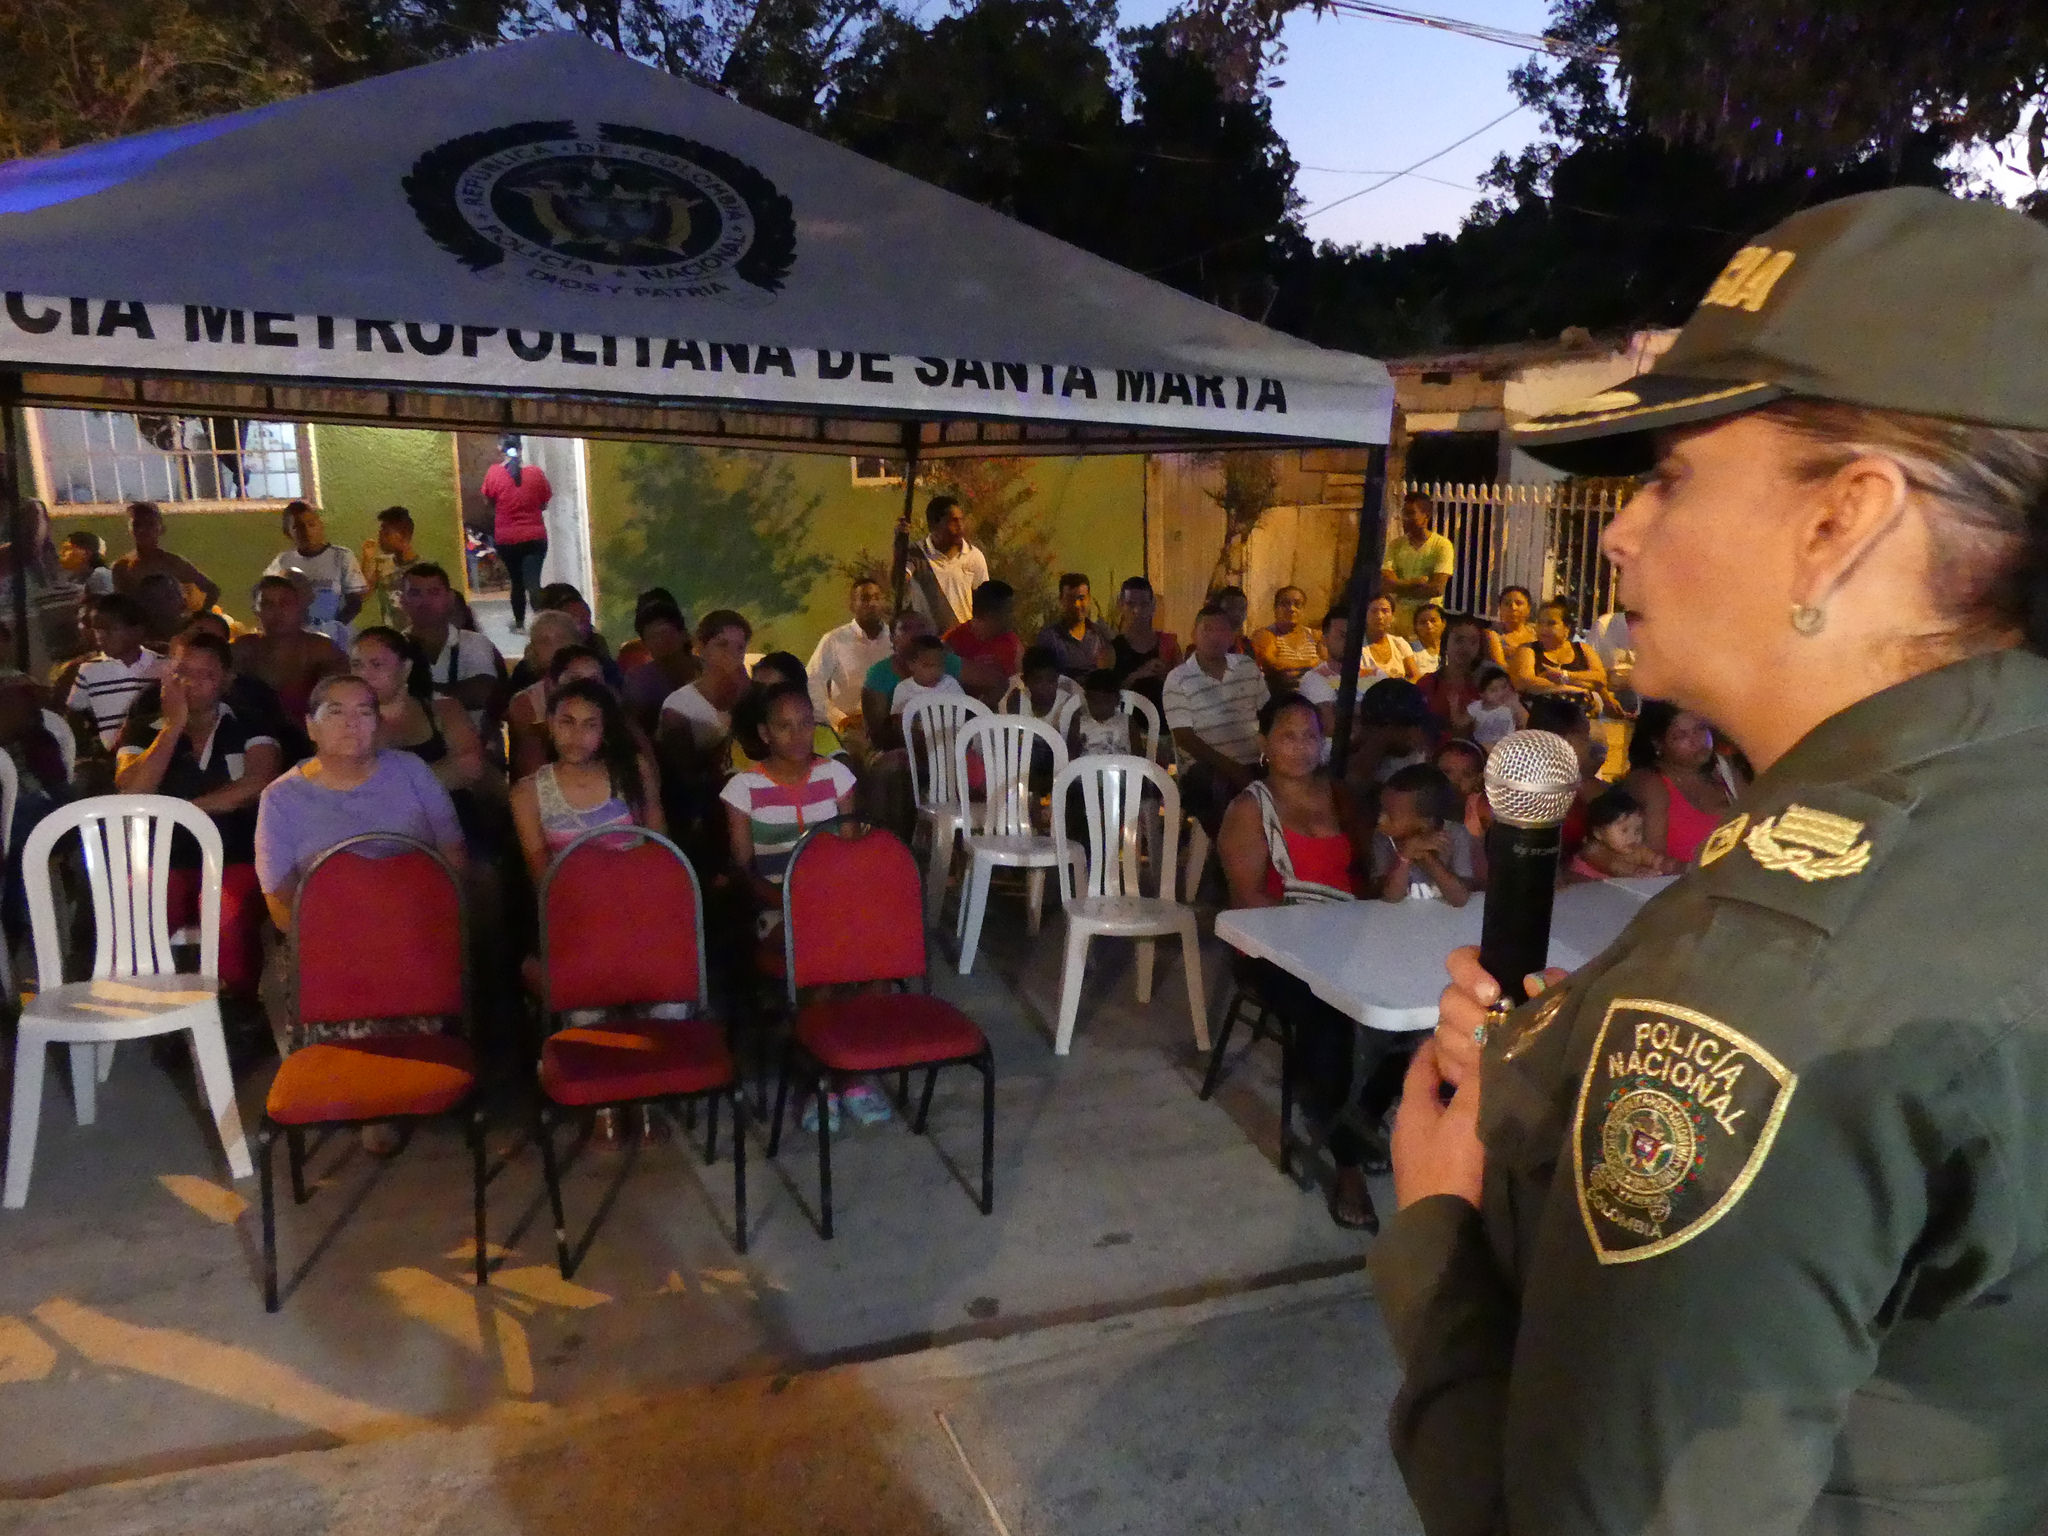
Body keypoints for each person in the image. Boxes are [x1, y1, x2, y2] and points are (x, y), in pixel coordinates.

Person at [1376, 187, 2048, 1535]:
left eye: (1674, 475)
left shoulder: (1763, 978)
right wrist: (1555, 1063)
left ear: (1842, 520)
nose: (1620, 531)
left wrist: (1436, 1238)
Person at [1217, 692, 1397, 1229]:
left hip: (1346, 935)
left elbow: (1367, 874)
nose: (1301, 747)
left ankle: (1362, 1117)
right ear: (1265, 744)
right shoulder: (1250, 808)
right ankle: (1346, 1162)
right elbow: (1248, 899)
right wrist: (1318, 937)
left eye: (1311, 736)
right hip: (1273, 949)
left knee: (1418, 1009)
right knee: (1331, 1019)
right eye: (1288, 735)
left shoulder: (1341, 798)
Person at [253, 673, 466, 1086]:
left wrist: (419, 922)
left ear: (379, 725)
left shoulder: (413, 772)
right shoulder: (280, 798)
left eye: (364, 712)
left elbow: (453, 857)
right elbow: (278, 898)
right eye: (336, 712)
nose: (352, 723)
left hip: (414, 930)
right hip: (331, 943)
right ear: (310, 725)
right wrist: (345, 938)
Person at [113, 629, 280, 997]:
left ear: (226, 681)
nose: (192, 683)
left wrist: (185, 811)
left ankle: (235, 1013)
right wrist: (172, 728)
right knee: (140, 911)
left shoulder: (249, 723)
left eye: (206, 675)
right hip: (163, 859)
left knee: (226, 915)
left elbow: (257, 782)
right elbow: (131, 791)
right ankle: (154, 1012)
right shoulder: (144, 728)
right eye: (182, 672)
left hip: (233, 855)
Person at [510, 677, 664, 887]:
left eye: (590, 725)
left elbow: (661, 848)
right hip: (576, 905)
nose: (577, 735)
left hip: (639, 893)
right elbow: (543, 879)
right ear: (550, 724)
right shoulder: (527, 794)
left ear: (604, 730)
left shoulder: (633, 770)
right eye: (567, 722)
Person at [1161, 602, 1266, 834]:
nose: (1214, 637)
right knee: (1218, 790)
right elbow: (1184, 737)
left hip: (1252, 761)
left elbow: (1266, 712)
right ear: (1193, 634)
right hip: (1205, 769)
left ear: (1231, 636)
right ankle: (1227, 859)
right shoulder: (1178, 679)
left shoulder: (1247, 668)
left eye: (1222, 630)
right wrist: (1233, 769)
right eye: (1207, 629)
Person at [349, 627, 486, 797]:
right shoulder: (342, 721)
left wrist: (387, 788)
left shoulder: (445, 710)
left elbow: (470, 766)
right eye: (356, 665)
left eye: (376, 665)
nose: (364, 674)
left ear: (406, 668)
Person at [231, 575, 346, 747]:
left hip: (309, 745)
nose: (277, 611)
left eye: (285, 603)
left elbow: (338, 704)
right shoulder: (243, 651)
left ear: (299, 608)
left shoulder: (321, 650)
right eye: (268, 604)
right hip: (251, 744)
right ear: (256, 611)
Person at [1623, 698, 1740, 864]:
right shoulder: (1650, 784)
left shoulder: (1727, 773)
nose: (1696, 741)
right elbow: (1654, 861)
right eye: (1680, 736)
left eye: (1701, 728)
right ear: (1658, 743)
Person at [397, 562, 503, 733]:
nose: (425, 602)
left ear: (450, 598)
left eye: (434, 593)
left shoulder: (475, 642)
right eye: (415, 593)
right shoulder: (393, 647)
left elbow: (482, 693)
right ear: (402, 601)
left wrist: (414, 694)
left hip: (476, 748)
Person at [66, 593, 167, 749]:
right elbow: (74, 712)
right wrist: (86, 745)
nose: (100, 636)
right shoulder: (90, 670)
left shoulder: (164, 665)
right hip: (115, 757)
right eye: (97, 629)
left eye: (108, 629)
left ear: (137, 631)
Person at [1372, 761, 1481, 905]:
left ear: (1424, 823)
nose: (1380, 819)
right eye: (1382, 810)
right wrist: (1405, 857)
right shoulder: (1384, 838)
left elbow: (1460, 899)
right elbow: (1391, 897)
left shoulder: (1456, 835)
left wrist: (1428, 857)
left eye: (1390, 815)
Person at [859, 610, 962, 753]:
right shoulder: (879, 675)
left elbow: (993, 680)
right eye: (905, 628)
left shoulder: (948, 667)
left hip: (951, 744)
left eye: (922, 626)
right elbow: (878, 734)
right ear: (892, 638)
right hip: (904, 749)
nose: (916, 633)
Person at [263, 502, 365, 646]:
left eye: (311, 524)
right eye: (297, 527)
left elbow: (354, 602)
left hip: (337, 639)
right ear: (288, 532)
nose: (306, 531)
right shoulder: (282, 561)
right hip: (298, 641)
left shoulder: (341, 556)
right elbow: (269, 598)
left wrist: (332, 628)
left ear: (320, 525)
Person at [480, 435, 552, 631]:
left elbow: (488, 503)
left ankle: (519, 624)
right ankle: (543, 624)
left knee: (517, 582)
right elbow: (544, 503)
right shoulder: (536, 474)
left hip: (507, 539)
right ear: (520, 449)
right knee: (533, 582)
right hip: (535, 537)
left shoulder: (493, 474)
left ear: (501, 449)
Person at [806, 576, 892, 740]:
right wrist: (839, 719)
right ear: (852, 605)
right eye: (865, 598)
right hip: (853, 728)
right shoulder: (834, 640)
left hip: (894, 723)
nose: (872, 603)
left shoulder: (894, 637)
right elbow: (811, 681)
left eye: (877, 598)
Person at [505, 612, 585, 778]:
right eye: (544, 641)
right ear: (533, 650)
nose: (554, 646)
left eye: (561, 638)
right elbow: (530, 768)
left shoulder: (605, 691)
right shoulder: (524, 702)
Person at [899, 494, 989, 634]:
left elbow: (983, 602)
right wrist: (898, 548)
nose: (960, 526)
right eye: (953, 521)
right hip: (928, 642)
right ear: (934, 525)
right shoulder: (916, 555)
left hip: (963, 641)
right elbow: (898, 582)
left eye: (961, 520)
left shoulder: (974, 556)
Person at [110, 501, 222, 612]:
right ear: (130, 529)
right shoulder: (121, 567)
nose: (143, 530)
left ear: (161, 529)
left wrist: (196, 617)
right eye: (137, 524)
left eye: (150, 524)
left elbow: (212, 590)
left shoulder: (173, 563)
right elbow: (119, 607)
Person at [1508, 597, 1612, 710]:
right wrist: (1579, 688)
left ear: (1566, 628)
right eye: (1540, 623)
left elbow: (1600, 679)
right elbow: (1526, 681)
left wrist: (1564, 676)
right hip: (1540, 712)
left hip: (1581, 714)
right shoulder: (1528, 649)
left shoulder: (1583, 649)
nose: (1543, 628)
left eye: (1551, 623)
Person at [1565, 785, 1679, 882]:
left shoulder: (1639, 851)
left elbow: (1658, 861)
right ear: (1598, 833)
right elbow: (1614, 866)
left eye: (1638, 830)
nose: (1632, 837)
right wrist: (1637, 871)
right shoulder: (1592, 849)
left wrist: (1673, 866)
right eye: (1624, 830)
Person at [1381, 491, 1455, 635]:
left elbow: (1436, 589)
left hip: (1427, 622)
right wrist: (1415, 583)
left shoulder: (1442, 545)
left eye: (1410, 513)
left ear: (1425, 516)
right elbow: (1386, 584)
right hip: (1399, 623)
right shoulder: (1396, 545)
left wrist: (1400, 586)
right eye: (1404, 514)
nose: (1405, 519)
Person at [621, 598, 699, 735]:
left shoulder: (708, 671)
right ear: (644, 644)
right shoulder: (639, 682)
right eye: (652, 637)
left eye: (665, 633)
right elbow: (634, 729)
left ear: (684, 634)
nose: (660, 642)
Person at [1108, 575, 1181, 717]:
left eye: (1144, 604)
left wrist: (1166, 677)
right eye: (1130, 604)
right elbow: (1103, 700)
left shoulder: (1168, 645)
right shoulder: (1111, 649)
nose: (1137, 611)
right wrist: (1137, 675)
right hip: (1126, 728)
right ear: (1121, 605)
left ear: (1153, 605)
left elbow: (1184, 690)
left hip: (1165, 726)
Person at [943, 579, 1023, 706]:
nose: (1013, 617)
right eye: (1009, 612)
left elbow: (1017, 688)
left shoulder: (1012, 643)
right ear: (991, 615)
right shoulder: (954, 641)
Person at [1030, 572, 1113, 679]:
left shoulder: (1102, 635)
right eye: (1070, 599)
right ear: (1061, 600)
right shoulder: (1048, 639)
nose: (1077, 605)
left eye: (1081, 598)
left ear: (1089, 599)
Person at [1418, 613, 1490, 736]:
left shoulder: (1486, 687)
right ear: (1445, 643)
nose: (1466, 647)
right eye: (1459, 640)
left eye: (1473, 642)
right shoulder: (1427, 684)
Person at [1249, 585, 1324, 689]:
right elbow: (1273, 665)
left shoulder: (1315, 636)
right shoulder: (1264, 635)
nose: (1291, 609)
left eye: (1297, 605)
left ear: (1303, 610)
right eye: (1285, 604)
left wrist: (1290, 667)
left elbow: (1327, 667)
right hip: (1281, 698)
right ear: (1275, 608)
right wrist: (1310, 663)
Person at [360, 506, 420, 628]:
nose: (380, 539)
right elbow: (362, 595)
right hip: (392, 640)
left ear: (402, 536)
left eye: (386, 533)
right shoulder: (382, 565)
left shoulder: (425, 569)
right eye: (380, 533)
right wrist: (367, 560)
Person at [1006, 644, 1081, 729]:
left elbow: (1071, 741)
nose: (1045, 687)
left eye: (1051, 680)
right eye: (1037, 680)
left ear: (1057, 680)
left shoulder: (1068, 706)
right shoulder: (1017, 702)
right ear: (1026, 681)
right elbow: (1011, 736)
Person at [890, 634, 967, 718]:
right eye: (927, 666)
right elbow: (897, 719)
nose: (935, 671)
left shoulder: (950, 683)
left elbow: (964, 708)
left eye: (940, 665)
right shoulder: (903, 689)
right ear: (911, 665)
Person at [1067, 669, 1137, 758]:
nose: (1100, 707)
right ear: (1087, 699)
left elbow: (1138, 758)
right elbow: (1071, 758)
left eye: (1106, 701)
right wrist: (1078, 743)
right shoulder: (1079, 724)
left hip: (1121, 769)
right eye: (1095, 701)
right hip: (1088, 770)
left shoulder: (1127, 722)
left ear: (1117, 700)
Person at [1464, 664, 1526, 749]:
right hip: (1482, 747)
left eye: (1504, 687)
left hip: (1507, 747)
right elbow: (1461, 723)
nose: (1500, 693)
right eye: (1493, 690)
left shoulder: (1510, 704)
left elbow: (1524, 724)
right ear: (1482, 694)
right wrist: (1454, 706)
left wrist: (1516, 708)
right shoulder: (1477, 707)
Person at [1483, 583, 1537, 668]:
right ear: (1500, 608)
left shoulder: (1536, 633)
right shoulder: (1493, 635)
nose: (1513, 607)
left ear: (1528, 609)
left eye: (1518, 603)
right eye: (1507, 603)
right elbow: (1500, 666)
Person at [60, 531, 114, 598]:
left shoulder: (101, 576)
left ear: (87, 553)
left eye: (68, 549)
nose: (61, 553)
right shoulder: (72, 578)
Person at [1410, 603, 1447, 677]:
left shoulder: (1453, 649)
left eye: (1433, 621)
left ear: (1443, 624)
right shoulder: (1409, 651)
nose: (1428, 625)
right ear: (1415, 627)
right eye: (1423, 622)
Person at [1213, 585, 1252, 654]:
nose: (1236, 614)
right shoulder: (1207, 647)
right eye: (1230, 608)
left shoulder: (1248, 647)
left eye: (1242, 609)